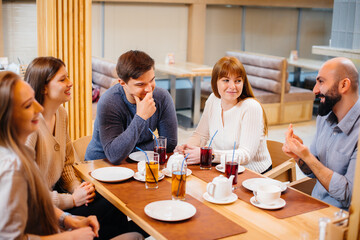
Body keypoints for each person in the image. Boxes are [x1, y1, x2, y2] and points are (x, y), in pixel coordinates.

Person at [24, 57, 144, 240]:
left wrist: (77, 188)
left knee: (114, 199)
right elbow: (26, 194)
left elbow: (67, 163)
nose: (70, 83)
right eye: (62, 79)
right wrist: (71, 200)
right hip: (42, 210)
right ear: (43, 88)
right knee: (115, 211)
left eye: (68, 77)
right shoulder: (30, 126)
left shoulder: (61, 114)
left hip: (60, 198)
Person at [0, 71, 99, 239]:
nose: (39, 109)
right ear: (6, 117)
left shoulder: (20, 152)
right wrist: (71, 236)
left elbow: (36, 201)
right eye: (28, 105)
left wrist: (68, 220)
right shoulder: (12, 168)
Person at [283, 57, 359, 210]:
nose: (315, 90)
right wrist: (300, 156)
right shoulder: (324, 118)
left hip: (344, 221)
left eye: (321, 82)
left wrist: (308, 157)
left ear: (344, 85)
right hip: (315, 206)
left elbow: (350, 196)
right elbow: (313, 172)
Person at [175, 56, 272, 174]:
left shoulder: (251, 107)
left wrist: (209, 155)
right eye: (226, 80)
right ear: (215, 82)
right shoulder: (213, 100)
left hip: (253, 173)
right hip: (222, 168)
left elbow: (246, 155)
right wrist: (185, 149)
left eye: (238, 81)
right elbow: (200, 135)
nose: (233, 86)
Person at [85, 50, 178, 164]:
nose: (149, 89)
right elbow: (114, 155)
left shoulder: (162, 97)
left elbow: (170, 143)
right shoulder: (109, 102)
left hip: (140, 162)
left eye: (152, 80)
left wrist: (129, 149)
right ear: (122, 83)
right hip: (101, 163)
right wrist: (140, 117)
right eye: (140, 84)